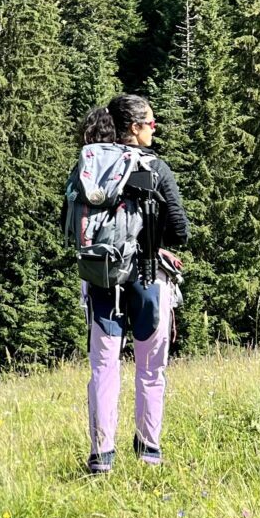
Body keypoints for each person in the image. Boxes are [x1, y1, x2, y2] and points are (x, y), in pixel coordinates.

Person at [68, 93, 189, 474]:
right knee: (150, 368)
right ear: (134, 129)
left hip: (101, 276)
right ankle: (149, 451)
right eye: (151, 124)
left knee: (104, 369)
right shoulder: (154, 167)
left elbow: (68, 223)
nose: (154, 129)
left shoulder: (90, 165)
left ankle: (101, 456)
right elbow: (181, 230)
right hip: (148, 277)